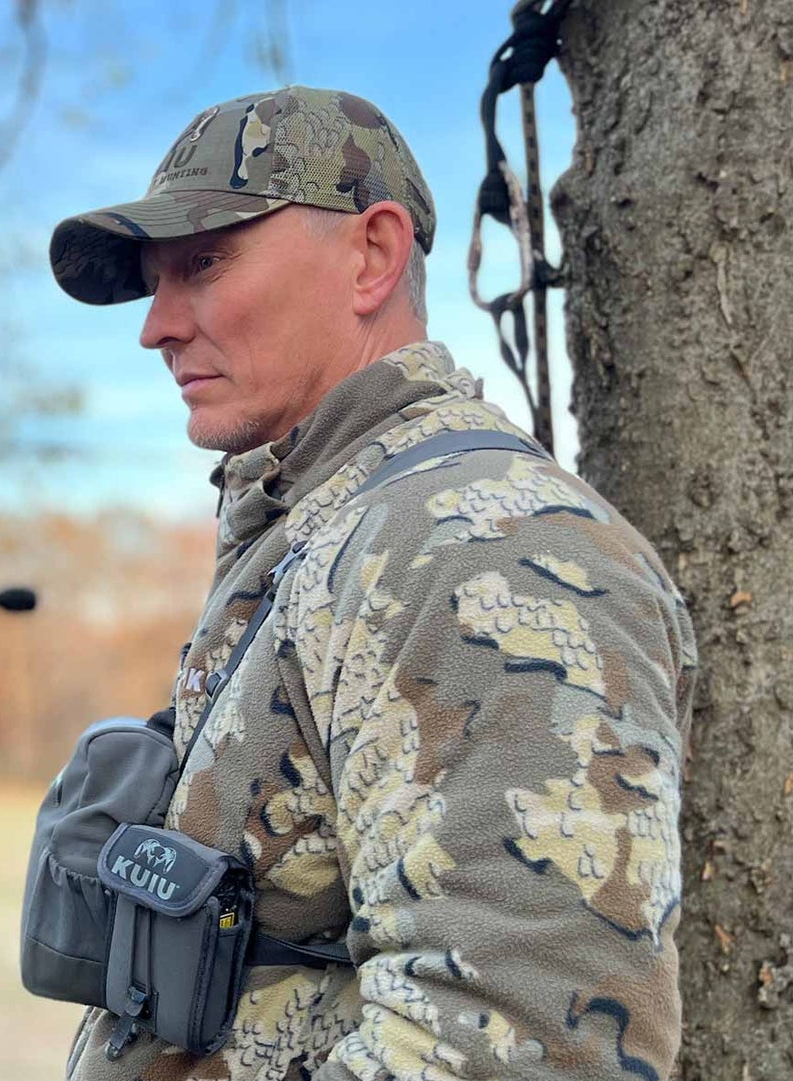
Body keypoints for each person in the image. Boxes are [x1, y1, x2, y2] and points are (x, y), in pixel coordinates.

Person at [45, 86, 698, 1080]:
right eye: (151, 281)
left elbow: (517, 1045)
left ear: (373, 255)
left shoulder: (483, 547)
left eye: (203, 263)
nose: (157, 326)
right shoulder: (338, 522)